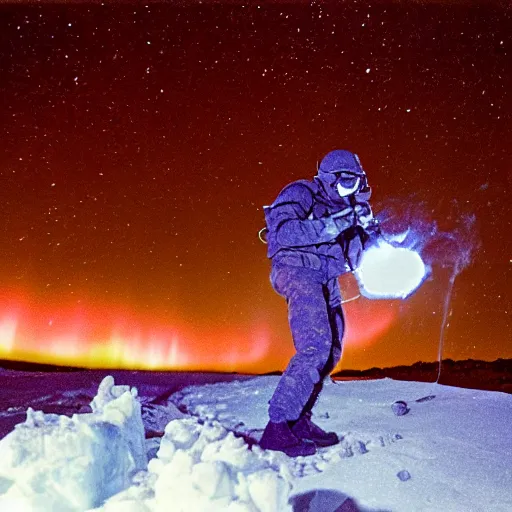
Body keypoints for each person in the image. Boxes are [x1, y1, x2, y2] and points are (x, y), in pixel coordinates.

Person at [259, 149, 378, 457]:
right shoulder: (301, 192)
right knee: (316, 345)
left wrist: (368, 235)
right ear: (330, 178)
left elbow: (354, 258)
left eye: (356, 183)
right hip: (297, 269)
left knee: (332, 349)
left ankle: (299, 420)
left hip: (325, 276)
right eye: (345, 182)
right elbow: (284, 233)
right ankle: (278, 426)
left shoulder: (347, 210)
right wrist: (338, 223)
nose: (350, 190)